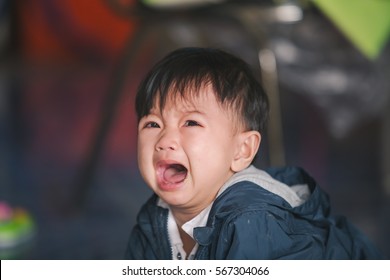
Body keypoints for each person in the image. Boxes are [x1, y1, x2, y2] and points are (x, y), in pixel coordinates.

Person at [125, 47, 383, 260]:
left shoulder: (253, 219)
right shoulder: (156, 215)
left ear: (242, 150)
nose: (164, 140)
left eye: (191, 123)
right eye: (152, 124)